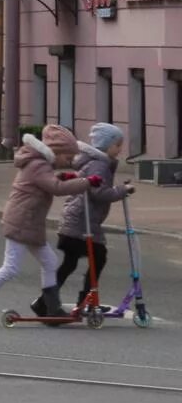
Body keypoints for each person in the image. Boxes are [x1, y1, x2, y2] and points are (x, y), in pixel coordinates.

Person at [0, 124, 94, 326]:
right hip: (22, 221)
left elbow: (50, 182)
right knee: (10, 268)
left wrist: (65, 177)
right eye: (67, 158)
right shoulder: (39, 165)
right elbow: (56, 188)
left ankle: (52, 309)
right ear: (56, 152)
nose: (69, 162)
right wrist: (86, 182)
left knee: (49, 261)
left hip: (29, 221)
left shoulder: (40, 163)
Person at [52, 122, 135, 312]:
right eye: (118, 145)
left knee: (71, 262)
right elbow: (99, 193)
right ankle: (86, 300)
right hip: (83, 222)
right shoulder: (100, 164)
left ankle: (48, 299)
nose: (120, 149)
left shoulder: (93, 161)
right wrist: (123, 190)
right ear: (107, 145)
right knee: (98, 257)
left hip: (76, 220)